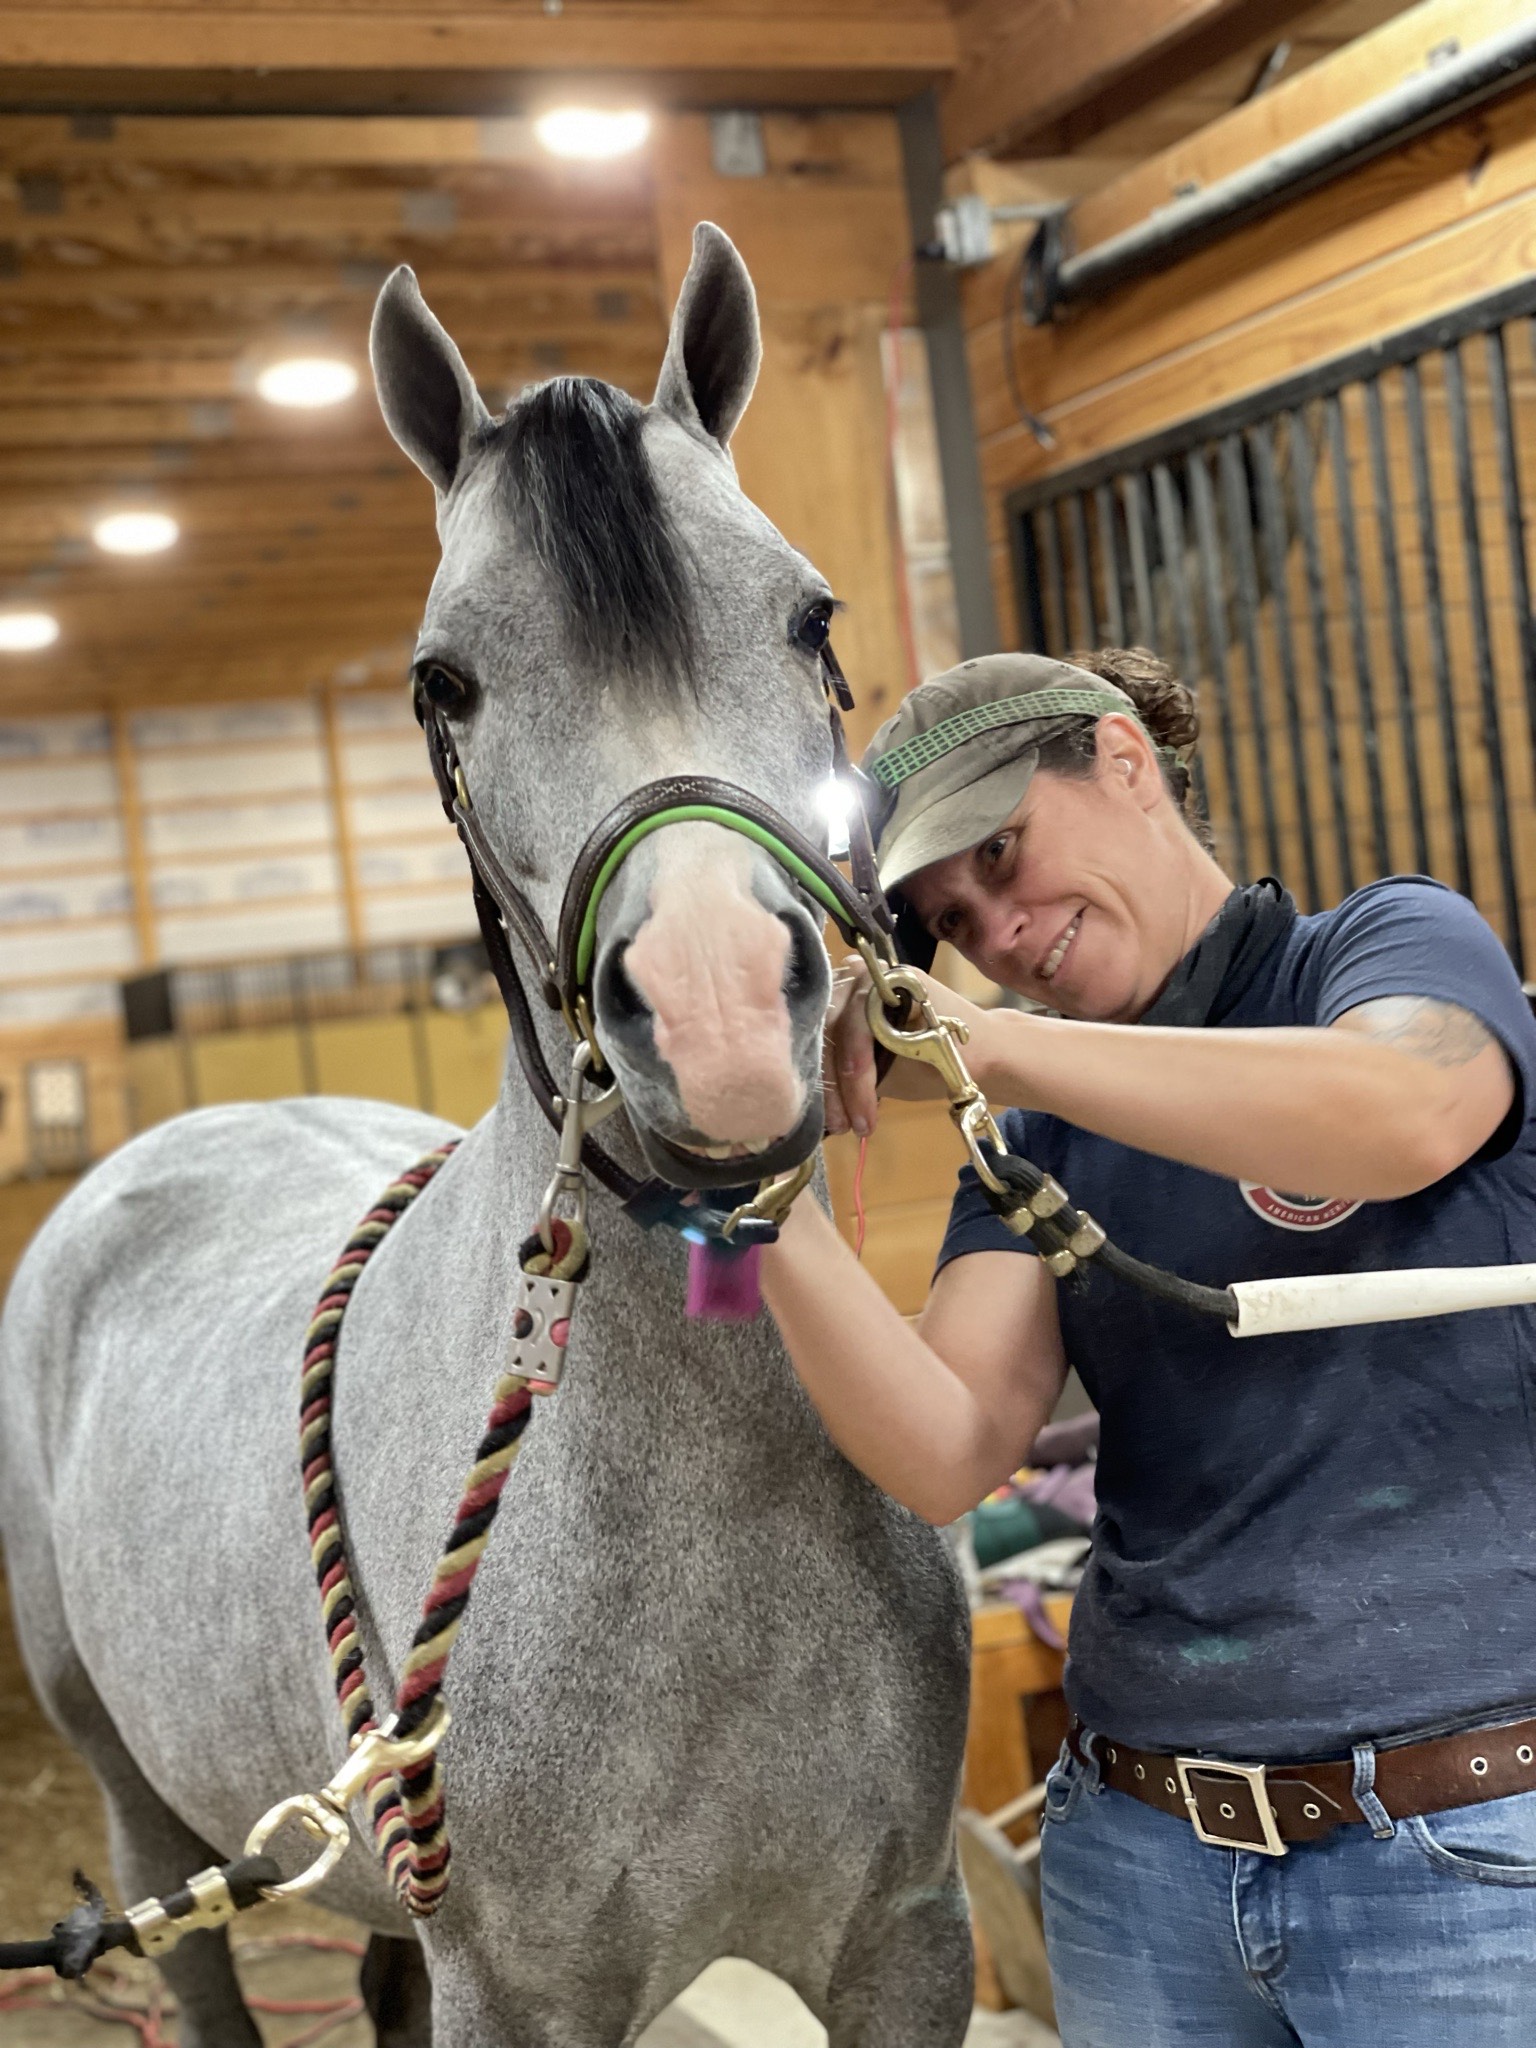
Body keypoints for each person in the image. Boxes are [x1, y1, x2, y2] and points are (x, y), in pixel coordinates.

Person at [760, 647, 1536, 2047]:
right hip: (1144, 1864)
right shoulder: (1036, 1134)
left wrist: (999, 1050)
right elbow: (945, 1449)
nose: (999, 932)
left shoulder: (1383, 947)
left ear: (1125, 761)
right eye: (951, 918)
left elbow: (1409, 1109)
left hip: (1458, 1851)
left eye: (1003, 853)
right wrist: (749, 1200)